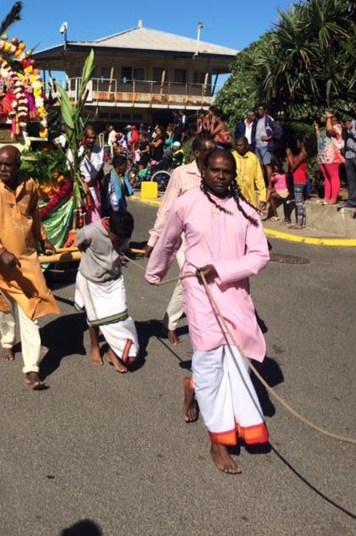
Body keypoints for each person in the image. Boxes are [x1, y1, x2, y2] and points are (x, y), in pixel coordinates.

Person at [145, 149, 270, 474]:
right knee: (211, 359)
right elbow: (170, 241)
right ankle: (219, 442)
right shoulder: (187, 203)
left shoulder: (246, 210)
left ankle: (193, 387)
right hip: (199, 294)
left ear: (233, 175)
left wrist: (224, 269)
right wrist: (155, 272)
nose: (220, 176)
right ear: (204, 171)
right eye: (215, 170)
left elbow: (259, 255)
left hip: (235, 296)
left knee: (236, 364)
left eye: (227, 171)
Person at [0, 145, 59, 390]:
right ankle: (8, 339)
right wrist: (0, 251)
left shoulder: (29, 186)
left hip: (26, 260)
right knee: (4, 307)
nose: (2, 168)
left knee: (30, 310)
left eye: (8, 164)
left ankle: (31, 369)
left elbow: (34, 216)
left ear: (18, 164)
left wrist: (43, 239)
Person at [143, 134, 216, 346]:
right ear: (197, 153)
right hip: (183, 239)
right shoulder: (181, 173)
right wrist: (153, 238)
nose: (213, 153)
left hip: (208, 240)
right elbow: (167, 207)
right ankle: (171, 323)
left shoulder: (215, 173)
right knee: (190, 279)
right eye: (208, 150)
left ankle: (177, 319)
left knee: (203, 282)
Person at [75, 210, 139, 373]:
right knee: (95, 317)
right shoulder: (90, 232)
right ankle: (95, 345)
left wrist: (121, 255)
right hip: (92, 279)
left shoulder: (123, 233)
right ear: (108, 226)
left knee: (121, 316)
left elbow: (122, 249)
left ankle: (113, 352)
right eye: (115, 238)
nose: (118, 241)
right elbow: (78, 243)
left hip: (114, 278)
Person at [340, 102, 356, 213]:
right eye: (355, 110)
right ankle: (352, 201)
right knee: (351, 179)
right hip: (349, 154)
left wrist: (353, 131)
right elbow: (346, 138)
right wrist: (345, 129)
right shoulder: (354, 122)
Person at [314, 112, 344, 205]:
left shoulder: (337, 127)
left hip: (331, 156)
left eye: (332, 118)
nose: (330, 120)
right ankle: (326, 197)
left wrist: (329, 118)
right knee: (326, 177)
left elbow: (329, 129)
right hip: (322, 156)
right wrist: (317, 128)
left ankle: (333, 198)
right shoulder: (325, 129)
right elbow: (319, 138)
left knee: (333, 176)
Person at [78, 124, 105, 224]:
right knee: (81, 220)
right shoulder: (76, 151)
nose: (91, 140)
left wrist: (104, 192)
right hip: (80, 191)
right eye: (89, 137)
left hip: (94, 191)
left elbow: (100, 173)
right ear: (84, 137)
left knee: (95, 221)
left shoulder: (99, 151)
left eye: (93, 138)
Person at [232, 136, 266, 211]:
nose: (239, 147)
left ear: (247, 145)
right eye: (237, 145)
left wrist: (262, 197)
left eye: (241, 145)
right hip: (233, 194)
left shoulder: (253, 158)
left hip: (249, 196)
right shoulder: (231, 157)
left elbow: (259, 178)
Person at [254, 104, 282, 186]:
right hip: (258, 146)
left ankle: (270, 185)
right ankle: (262, 185)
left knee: (267, 166)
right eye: (258, 109)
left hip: (265, 146)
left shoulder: (269, 120)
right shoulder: (258, 120)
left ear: (265, 110)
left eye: (260, 109)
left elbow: (278, 131)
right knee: (260, 167)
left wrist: (269, 137)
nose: (259, 111)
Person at [286, 137, 310, 229]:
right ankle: (302, 222)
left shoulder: (302, 154)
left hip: (299, 180)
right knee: (301, 202)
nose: (297, 144)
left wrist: (289, 156)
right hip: (300, 179)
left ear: (302, 143)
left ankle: (299, 223)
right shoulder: (301, 153)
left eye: (298, 142)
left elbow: (293, 166)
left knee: (299, 203)